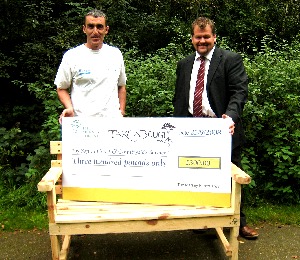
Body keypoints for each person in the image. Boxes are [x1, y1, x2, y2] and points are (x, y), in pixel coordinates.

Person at [172, 17, 258, 239]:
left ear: (214, 37)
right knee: (195, 174)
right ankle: (202, 221)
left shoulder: (230, 59)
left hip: (222, 128)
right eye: (198, 37)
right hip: (191, 128)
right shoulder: (184, 64)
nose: (202, 41)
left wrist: (230, 117)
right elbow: (180, 97)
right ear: (192, 38)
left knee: (231, 175)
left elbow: (239, 91)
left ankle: (239, 222)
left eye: (206, 37)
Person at [54, 9, 126, 122]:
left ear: (106, 29)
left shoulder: (115, 54)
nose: (95, 31)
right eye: (91, 26)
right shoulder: (72, 56)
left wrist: (121, 111)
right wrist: (69, 108)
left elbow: (121, 86)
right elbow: (61, 87)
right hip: (82, 124)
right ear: (84, 29)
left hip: (112, 124)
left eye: (99, 26)